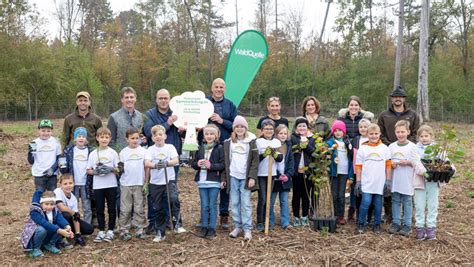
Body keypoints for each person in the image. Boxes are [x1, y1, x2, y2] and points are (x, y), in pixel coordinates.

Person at [143, 88, 184, 234]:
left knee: (171, 191)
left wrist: (183, 129)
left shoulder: (177, 111)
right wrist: (168, 123)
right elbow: (149, 132)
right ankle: (154, 222)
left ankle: (171, 220)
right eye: (160, 98)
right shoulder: (149, 114)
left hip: (172, 156)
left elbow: (183, 130)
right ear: (156, 99)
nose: (163, 101)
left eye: (166, 98)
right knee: (154, 193)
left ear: (169, 99)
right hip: (155, 158)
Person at [378, 85, 420, 224]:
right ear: (392, 99)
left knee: (408, 184)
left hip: (408, 151)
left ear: (404, 99)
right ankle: (389, 213)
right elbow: (380, 133)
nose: (398, 99)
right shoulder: (384, 115)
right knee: (390, 183)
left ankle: (408, 214)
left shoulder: (412, 115)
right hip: (389, 150)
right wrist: (390, 145)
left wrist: (407, 145)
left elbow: (416, 133)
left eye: (400, 97)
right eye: (395, 97)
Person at [201, 78, 238, 229]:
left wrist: (222, 120)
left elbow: (237, 126)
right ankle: (206, 216)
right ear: (212, 88)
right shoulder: (204, 103)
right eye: (216, 86)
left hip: (225, 147)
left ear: (225, 89)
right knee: (206, 180)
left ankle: (223, 215)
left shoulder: (230, 105)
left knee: (224, 180)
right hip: (206, 147)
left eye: (221, 87)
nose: (218, 89)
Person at [223, 116, 259, 240]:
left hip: (245, 177)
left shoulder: (251, 141)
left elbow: (255, 161)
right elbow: (226, 163)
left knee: (245, 203)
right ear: (234, 128)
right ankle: (237, 226)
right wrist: (225, 178)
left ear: (246, 128)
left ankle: (247, 228)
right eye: (237, 126)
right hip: (233, 176)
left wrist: (252, 177)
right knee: (234, 202)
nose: (239, 129)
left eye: (242, 126)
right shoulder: (229, 142)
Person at [144, 125, 181, 243]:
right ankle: (160, 232)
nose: (158, 137)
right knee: (158, 207)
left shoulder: (170, 147)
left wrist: (166, 163)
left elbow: (176, 161)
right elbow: (147, 163)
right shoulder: (150, 149)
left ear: (165, 136)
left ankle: (177, 223)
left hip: (168, 180)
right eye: (155, 135)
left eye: (160, 134)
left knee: (173, 198)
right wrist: (155, 165)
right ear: (152, 138)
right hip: (155, 182)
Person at [354, 124, 392, 234]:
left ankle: (377, 224)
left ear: (380, 134)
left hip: (379, 182)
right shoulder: (363, 148)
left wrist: (388, 180)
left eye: (376, 134)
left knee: (378, 204)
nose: (374, 136)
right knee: (365, 202)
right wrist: (358, 181)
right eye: (371, 134)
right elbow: (358, 166)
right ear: (367, 134)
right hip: (366, 182)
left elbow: (388, 165)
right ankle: (361, 223)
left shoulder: (384, 148)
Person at [191, 124, 226, 238]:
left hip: (214, 181)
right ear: (204, 135)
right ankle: (204, 226)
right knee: (204, 205)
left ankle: (212, 228)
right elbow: (193, 163)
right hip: (202, 180)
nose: (209, 136)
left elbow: (223, 165)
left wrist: (211, 166)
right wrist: (198, 164)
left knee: (212, 204)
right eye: (207, 134)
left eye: (212, 134)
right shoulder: (200, 148)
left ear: (216, 136)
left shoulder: (220, 148)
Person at [413, 125, 447, 240]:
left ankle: (431, 228)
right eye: (421, 136)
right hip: (419, 181)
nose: (424, 138)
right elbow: (416, 163)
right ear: (418, 137)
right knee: (419, 205)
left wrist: (451, 167)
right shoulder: (415, 148)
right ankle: (420, 228)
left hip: (433, 181)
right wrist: (424, 172)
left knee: (433, 205)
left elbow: (445, 161)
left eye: (426, 136)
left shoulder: (437, 148)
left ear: (431, 136)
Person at [86, 127, 119, 242]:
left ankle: (110, 230)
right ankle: (101, 230)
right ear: (97, 138)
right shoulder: (93, 154)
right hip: (98, 185)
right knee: (99, 208)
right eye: (102, 137)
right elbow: (88, 170)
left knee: (111, 208)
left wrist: (110, 169)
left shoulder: (113, 152)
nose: (104, 139)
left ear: (110, 139)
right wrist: (95, 171)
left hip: (111, 184)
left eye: (106, 137)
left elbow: (118, 168)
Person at [388, 120, 419, 237]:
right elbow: (388, 161)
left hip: (407, 179)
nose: (400, 134)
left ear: (408, 132)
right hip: (396, 179)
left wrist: (407, 162)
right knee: (395, 200)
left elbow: (416, 163)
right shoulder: (391, 146)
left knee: (407, 201)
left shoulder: (412, 147)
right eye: (398, 132)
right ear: (395, 133)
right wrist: (392, 164)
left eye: (403, 132)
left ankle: (407, 224)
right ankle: (396, 222)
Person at [20, 190, 74, 258]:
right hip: (35, 233)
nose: (49, 207)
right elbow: (44, 223)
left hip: (47, 232)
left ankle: (49, 244)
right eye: (46, 204)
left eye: (52, 204)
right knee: (42, 229)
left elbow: (60, 218)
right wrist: (59, 230)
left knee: (60, 225)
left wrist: (67, 226)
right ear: (41, 203)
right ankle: (35, 248)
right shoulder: (35, 211)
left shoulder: (54, 210)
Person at [118, 128, 148, 241]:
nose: (135, 140)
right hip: (126, 184)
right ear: (127, 139)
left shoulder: (143, 151)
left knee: (139, 207)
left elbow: (146, 167)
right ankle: (124, 230)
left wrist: (146, 181)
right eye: (132, 138)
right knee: (125, 208)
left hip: (139, 183)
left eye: (137, 138)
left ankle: (140, 229)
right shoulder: (123, 152)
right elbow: (120, 168)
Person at [255, 119, 283, 232]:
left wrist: (275, 154)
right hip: (261, 174)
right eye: (266, 128)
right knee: (262, 197)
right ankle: (260, 222)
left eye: (271, 129)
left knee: (269, 198)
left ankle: (267, 220)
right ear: (262, 130)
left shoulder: (277, 142)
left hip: (272, 174)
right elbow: (255, 159)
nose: (269, 130)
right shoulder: (258, 142)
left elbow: (280, 159)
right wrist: (263, 154)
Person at [62, 127, 93, 224]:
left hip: (86, 183)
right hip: (72, 183)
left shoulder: (90, 151)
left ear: (86, 139)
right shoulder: (70, 150)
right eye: (79, 136)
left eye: (83, 136)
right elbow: (64, 165)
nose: (81, 138)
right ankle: (75, 224)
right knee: (73, 206)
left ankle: (86, 225)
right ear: (75, 138)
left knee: (87, 206)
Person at [54, 174, 94, 247]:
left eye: (70, 183)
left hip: (68, 220)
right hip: (56, 220)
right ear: (60, 185)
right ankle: (63, 238)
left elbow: (76, 216)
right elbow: (62, 208)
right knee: (66, 214)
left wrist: (78, 233)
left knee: (89, 229)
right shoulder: (57, 191)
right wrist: (74, 213)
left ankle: (75, 235)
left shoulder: (73, 198)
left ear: (74, 184)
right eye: (65, 184)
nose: (68, 186)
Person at [326, 120, 354, 225]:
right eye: (336, 130)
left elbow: (351, 157)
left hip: (344, 172)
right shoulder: (330, 142)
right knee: (334, 194)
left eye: (340, 130)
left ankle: (341, 215)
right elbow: (325, 151)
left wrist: (350, 175)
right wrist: (329, 150)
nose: (338, 132)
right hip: (334, 172)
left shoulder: (347, 143)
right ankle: (334, 214)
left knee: (341, 195)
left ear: (344, 132)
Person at [290, 117, 315, 227]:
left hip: (307, 172)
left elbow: (314, 153)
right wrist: (300, 146)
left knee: (306, 195)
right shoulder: (292, 138)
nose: (301, 128)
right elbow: (291, 151)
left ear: (307, 127)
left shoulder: (312, 138)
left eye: (304, 126)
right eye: (299, 126)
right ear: (296, 128)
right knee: (296, 195)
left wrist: (307, 145)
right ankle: (296, 217)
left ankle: (304, 216)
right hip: (296, 173)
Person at [269, 124, 294, 230]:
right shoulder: (273, 146)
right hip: (275, 178)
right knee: (271, 201)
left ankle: (285, 222)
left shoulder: (288, 146)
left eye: (285, 133)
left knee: (284, 201)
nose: (283, 135)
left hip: (286, 178)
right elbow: (271, 162)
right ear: (276, 134)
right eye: (280, 133)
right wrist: (278, 175)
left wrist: (288, 175)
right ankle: (270, 221)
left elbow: (291, 163)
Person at [108, 87, 145, 152]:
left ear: (135, 99)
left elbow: (142, 137)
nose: (129, 100)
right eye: (126, 97)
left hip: (138, 155)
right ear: (122, 99)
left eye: (131, 97)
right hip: (121, 156)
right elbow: (111, 141)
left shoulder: (141, 116)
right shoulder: (114, 117)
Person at [350, 119, 373, 223]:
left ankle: (369, 216)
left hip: (370, 172)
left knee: (369, 194)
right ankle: (360, 216)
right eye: (361, 127)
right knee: (358, 194)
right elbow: (351, 156)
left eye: (365, 127)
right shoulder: (356, 139)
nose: (363, 129)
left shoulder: (372, 139)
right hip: (358, 172)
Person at [28, 119, 61, 191]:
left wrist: (53, 169)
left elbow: (59, 158)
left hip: (52, 174)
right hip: (39, 174)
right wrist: (30, 153)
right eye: (43, 130)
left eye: (48, 131)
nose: (46, 133)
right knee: (40, 194)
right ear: (38, 131)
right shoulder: (34, 143)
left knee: (52, 195)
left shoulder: (56, 142)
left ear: (51, 132)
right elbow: (31, 161)